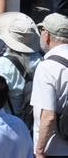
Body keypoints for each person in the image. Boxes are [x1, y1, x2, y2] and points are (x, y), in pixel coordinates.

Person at [30, 12, 68, 157]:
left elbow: (48, 116)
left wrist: (39, 150)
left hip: (54, 150)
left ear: (47, 36)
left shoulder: (47, 67)